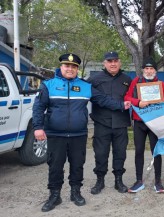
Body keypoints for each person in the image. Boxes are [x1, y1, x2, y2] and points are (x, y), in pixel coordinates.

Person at [33, 53, 130, 212]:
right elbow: (38, 107)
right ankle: (54, 195)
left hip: (78, 134)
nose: (70, 69)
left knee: (77, 165)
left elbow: (103, 100)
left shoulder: (85, 86)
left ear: (77, 69)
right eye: (67, 66)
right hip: (56, 134)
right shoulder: (48, 85)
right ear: (61, 67)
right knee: (55, 166)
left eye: (73, 66)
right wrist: (37, 127)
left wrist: (122, 105)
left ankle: (75, 192)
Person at [87, 51, 132, 195]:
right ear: (104, 63)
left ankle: (119, 181)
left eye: (115, 61)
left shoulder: (127, 79)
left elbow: (135, 97)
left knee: (120, 154)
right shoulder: (93, 79)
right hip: (102, 123)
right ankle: (100, 181)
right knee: (100, 153)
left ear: (120, 63)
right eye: (109, 61)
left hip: (121, 124)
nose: (113, 64)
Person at [124, 57, 164, 193]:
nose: (149, 71)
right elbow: (127, 97)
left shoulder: (161, 84)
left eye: (151, 69)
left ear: (155, 70)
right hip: (139, 122)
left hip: (154, 123)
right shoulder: (136, 82)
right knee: (138, 151)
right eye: (147, 68)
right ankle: (139, 181)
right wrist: (138, 102)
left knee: (156, 151)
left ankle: (158, 181)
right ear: (143, 70)